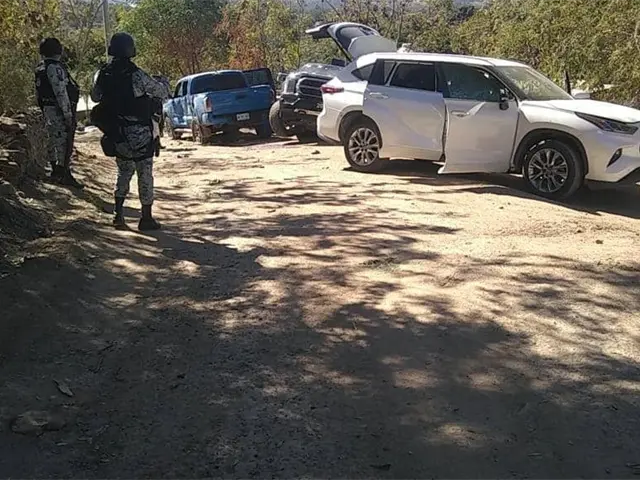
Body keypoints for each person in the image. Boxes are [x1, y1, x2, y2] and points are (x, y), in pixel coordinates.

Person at [91, 33, 169, 231]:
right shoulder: (136, 75)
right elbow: (161, 92)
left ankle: (118, 215)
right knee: (144, 172)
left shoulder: (102, 74)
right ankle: (146, 218)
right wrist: (164, 82)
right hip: (139, 132)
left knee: (124, 171)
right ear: (130, 50)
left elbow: (95, 97)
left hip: (116, 132)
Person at [35, 37, 84, 189]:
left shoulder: (41, 68)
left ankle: (56, 170)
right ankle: (64, 174)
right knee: (63, 141)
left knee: (53, 139)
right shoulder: (54, 68)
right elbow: (61, 92)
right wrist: (68, 115)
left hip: (48, 109)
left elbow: (38, 94)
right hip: (58, 110)